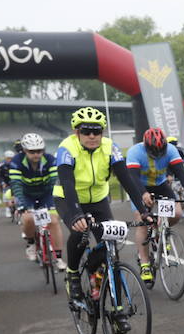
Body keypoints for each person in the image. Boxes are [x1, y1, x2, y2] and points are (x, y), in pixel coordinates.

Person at [53, 107, 151, 301]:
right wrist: (76, 214)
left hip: (98, 200)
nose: (91, 136)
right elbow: (67, 183)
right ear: (76, 132)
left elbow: (127, 181)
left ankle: (96, 276)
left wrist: (143, 211)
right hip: (68, 198)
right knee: (80, 231)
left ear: (102, 132)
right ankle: (72, 274)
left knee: (109, 242)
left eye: (96, 131)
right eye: (86, 131)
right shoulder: (67, 147)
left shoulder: (110, 147)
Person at [127, 128, 184, 282]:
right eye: (153, 151)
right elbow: (132, 178)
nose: (157, 153)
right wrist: (143, 194)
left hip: (160, 185)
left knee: (177, 213)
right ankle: (144, 264)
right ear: (145, 146)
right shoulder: (135, 152)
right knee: (142, 222)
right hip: (140, 187)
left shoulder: (170, 150)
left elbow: (181, 172)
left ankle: (161, 231)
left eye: (160, 150)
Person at [9, 133, 66, 270]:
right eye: (32, 152)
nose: (36, 154)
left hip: (46, 194)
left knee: (53, 220)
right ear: (24, 151)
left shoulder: (50, 160)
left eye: (39, 151)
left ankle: (58, 257)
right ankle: (31, 243)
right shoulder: (16, 162)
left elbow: (54, 182)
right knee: (28, 218)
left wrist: (56, 201)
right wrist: (22, 205)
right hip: (26, 194)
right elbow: (16, 185)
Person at [0, 150, 14, 217]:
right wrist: (2, 183)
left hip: (14, 181)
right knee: (5, 196)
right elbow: (0, 176)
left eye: (11, 158)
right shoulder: (1, 165)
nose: (9, 160)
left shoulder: (16, 164)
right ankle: (7, 209)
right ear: (5, 158)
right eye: (8, 158)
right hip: (6, 182)